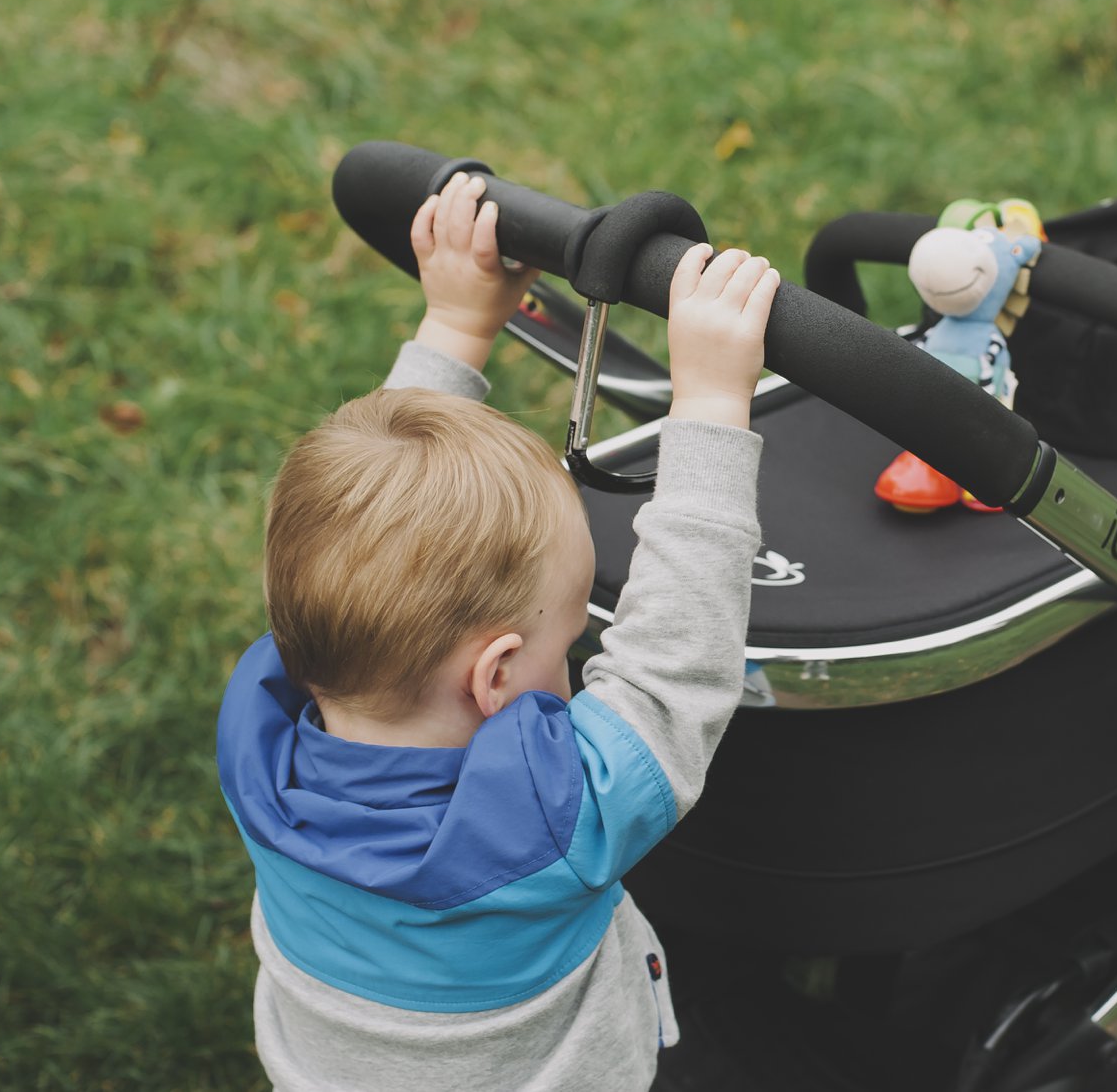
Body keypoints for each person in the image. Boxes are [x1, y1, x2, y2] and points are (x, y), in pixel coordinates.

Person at [216, 171, 778, 1091]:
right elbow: (673, 672)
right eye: (569, 647)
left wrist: (457, 323)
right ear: (496, 674)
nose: (582, 664)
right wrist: (713, 403)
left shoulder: (263, 742)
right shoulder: (546, 824)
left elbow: (370, 532)